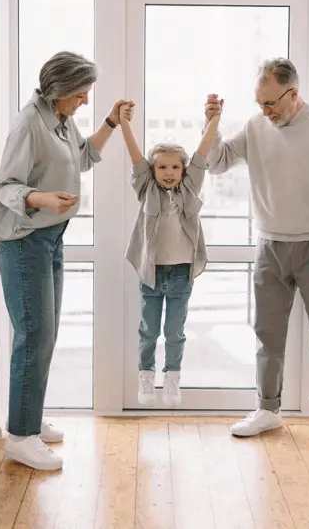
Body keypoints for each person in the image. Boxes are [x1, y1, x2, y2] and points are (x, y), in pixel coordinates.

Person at [204, 57, 309, 440]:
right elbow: (216, 164)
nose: (266, 110)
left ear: (293, 92)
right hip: (270, 244)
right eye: (260, 103)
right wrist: (211, 125)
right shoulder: (256, 126)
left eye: (272, 102)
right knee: (267, 334)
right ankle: (267, 409)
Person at [0, 50, 130, 470]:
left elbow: (83, 158)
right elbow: (6, 186)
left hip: (51, 236)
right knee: (32, 336)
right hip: (23, 239)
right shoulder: (28, 124)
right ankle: (20, 436)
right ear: (61, 90)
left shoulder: (60, 119)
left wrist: (110, 122)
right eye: (81, 94)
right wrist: (43, 198)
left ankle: (28, 418)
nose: (84, 101)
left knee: (45, 334)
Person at [120, 101, 217, 408]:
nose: (169, 172)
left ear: (184, 170)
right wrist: (124, 123)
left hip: (181, 271)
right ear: (152, 170)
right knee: (148, 330)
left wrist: (212, 119)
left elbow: (202, 155)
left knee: (174, 331)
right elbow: (135, 156)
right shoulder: (145, 187)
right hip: (152, 271)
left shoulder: (190, 187)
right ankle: (146, 377)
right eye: (162, 166)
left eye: (176, 167)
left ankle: (172, 378)